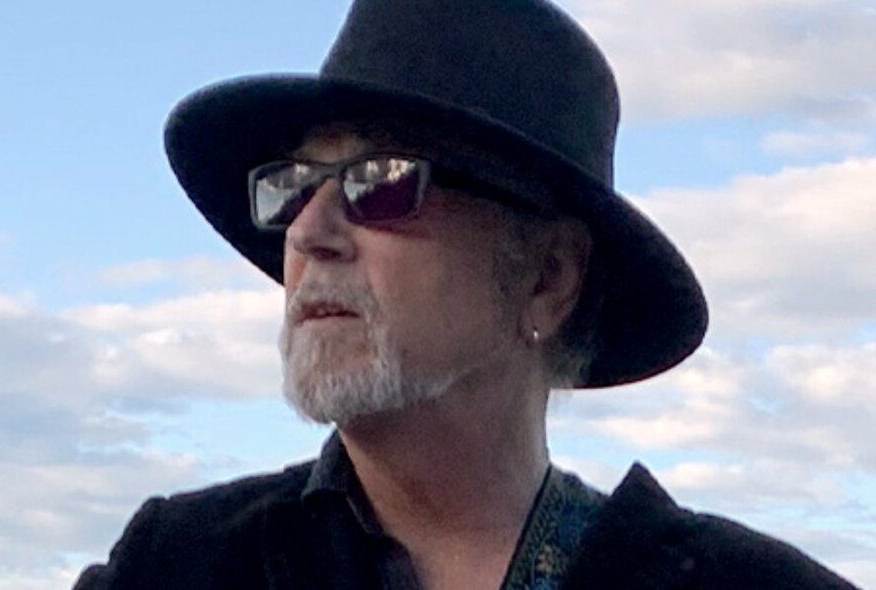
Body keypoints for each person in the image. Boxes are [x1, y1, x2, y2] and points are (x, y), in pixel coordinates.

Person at [74, 0, 859, 588]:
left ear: (548, 280)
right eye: (292, 187)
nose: (308, 232)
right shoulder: (177, 565)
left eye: (379, 182)